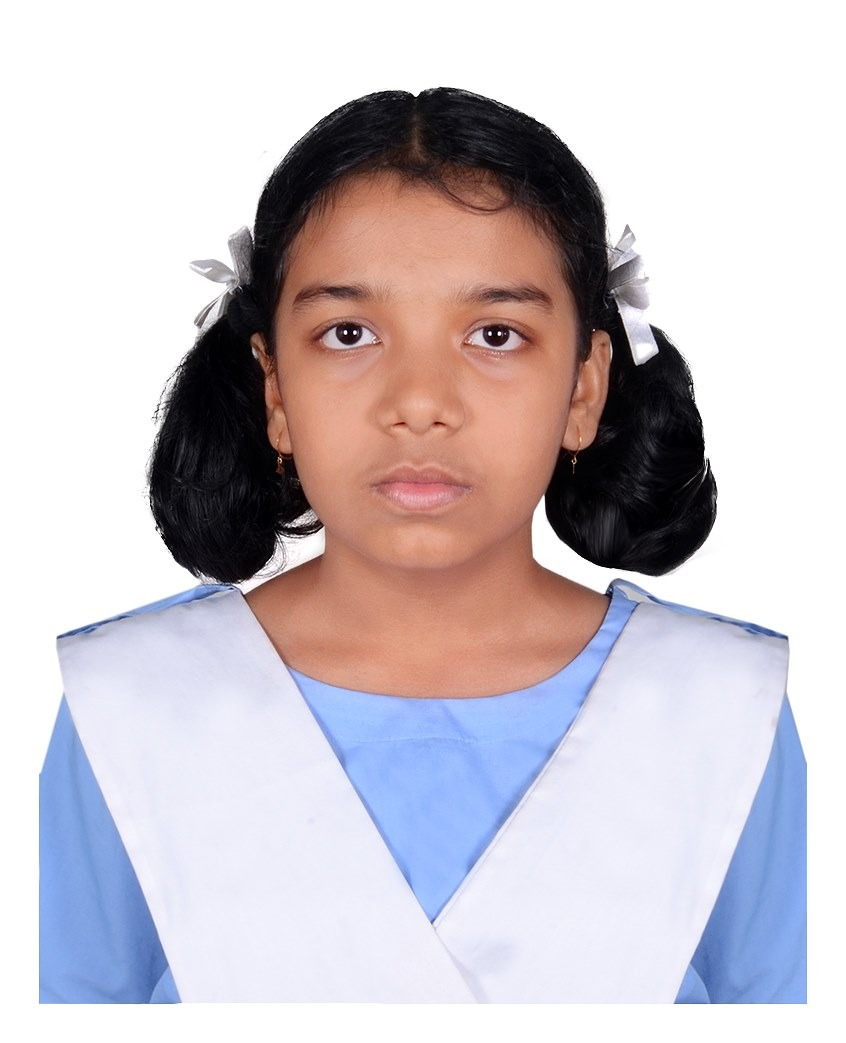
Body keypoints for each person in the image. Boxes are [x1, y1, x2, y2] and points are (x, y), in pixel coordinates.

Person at [39, 88, 805, 1004]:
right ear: (275, 388)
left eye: (495, 334)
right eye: (349, 333)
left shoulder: (725, 710)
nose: (419, 401)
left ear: (583, 388)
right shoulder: (127, 705)